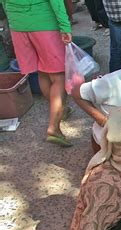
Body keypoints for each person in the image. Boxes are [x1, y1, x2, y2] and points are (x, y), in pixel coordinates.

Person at [1, 0, 73, 147]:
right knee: (58, 76)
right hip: (44, 24)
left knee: (42, 71)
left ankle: (61, 110)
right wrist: (65, 25)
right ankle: (54, 127)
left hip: (18, 26)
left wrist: (14, 18)